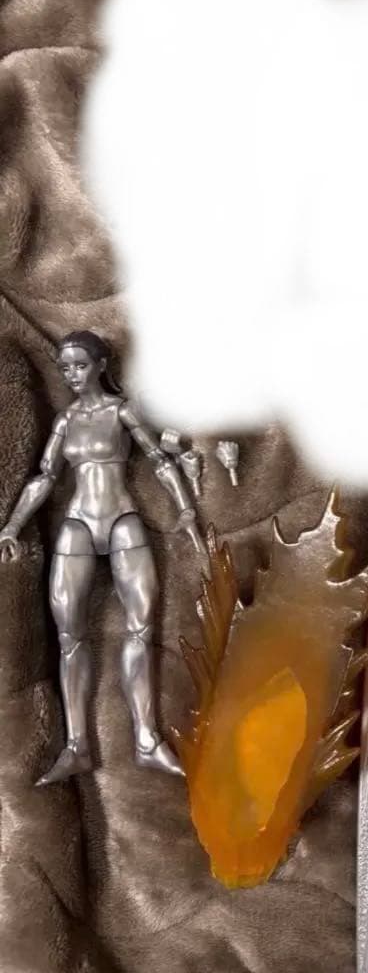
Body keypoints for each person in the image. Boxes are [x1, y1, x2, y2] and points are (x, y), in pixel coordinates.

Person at [0, 330, 202, 784]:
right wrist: (12, 525)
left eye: (80, 365)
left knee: (141, 627)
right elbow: (45, 477)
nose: (72, 374)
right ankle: (77, 746)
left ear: (101, 365)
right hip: (77, 524)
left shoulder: (121, 411)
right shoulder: (66, 420)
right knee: (69, 636)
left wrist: (186, 510)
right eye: (65, 367)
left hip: (123, 519)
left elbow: (160, 461)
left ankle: (147, 739)